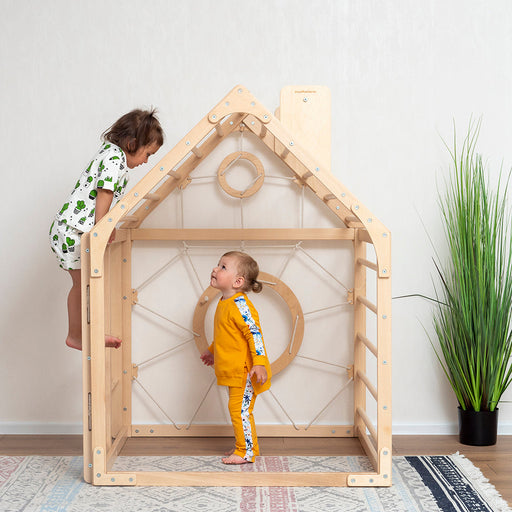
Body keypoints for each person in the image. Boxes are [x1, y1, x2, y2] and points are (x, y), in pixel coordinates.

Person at [49, 109, 164, 350]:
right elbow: (105, 192)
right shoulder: (113, 158)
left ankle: (80, 334)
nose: (146, 161)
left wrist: (105, 225)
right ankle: (77, 335)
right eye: (147, 154)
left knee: (84, 284)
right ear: (132, 144)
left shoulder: (112, 155)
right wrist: (101, 228)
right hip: (71, 231)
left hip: (72, 229)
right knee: (83, 284)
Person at [200, 251, 272, 465]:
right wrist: (212, 351)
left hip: (246, 372)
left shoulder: (241, 305)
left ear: (238, 281)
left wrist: (259, 363)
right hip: (233, 371)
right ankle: (248, 447)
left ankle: (245, 451)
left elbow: (254, 334)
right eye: (217, 264)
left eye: (223, 267)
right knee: (239, 410)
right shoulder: (225, 302)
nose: (215, 269)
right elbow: (227, 334)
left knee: (239, 411)